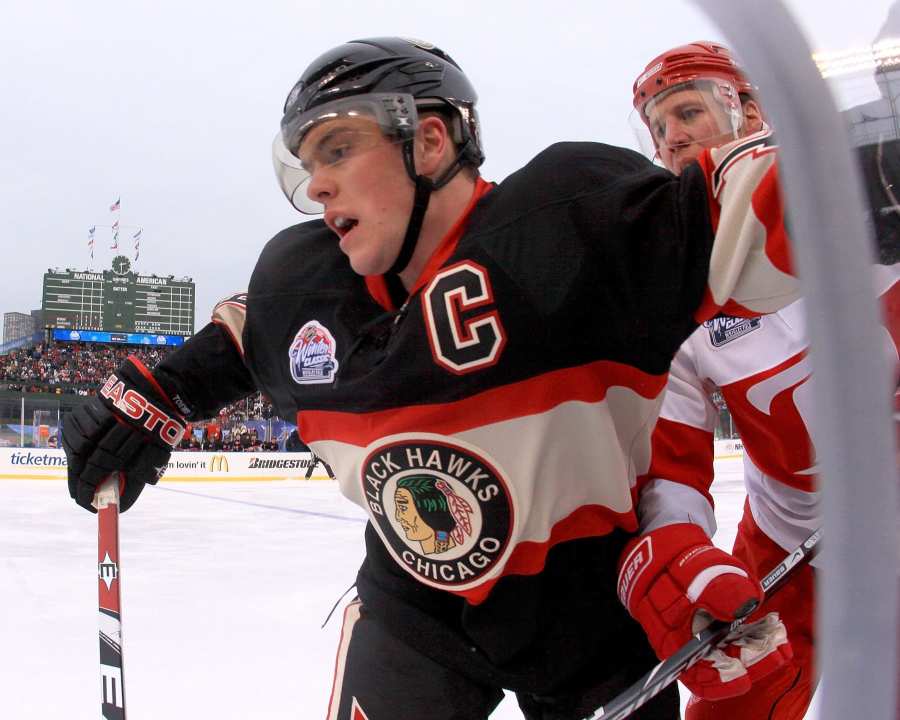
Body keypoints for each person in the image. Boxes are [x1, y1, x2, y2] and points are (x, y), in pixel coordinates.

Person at [63, 37, 809, 720]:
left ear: (427, 139)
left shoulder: (571, 227)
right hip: (412, 611)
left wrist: (875, 160)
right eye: (306, 163)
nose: (318, 186)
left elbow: (775, 203)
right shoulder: (303, 285)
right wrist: (154, 397)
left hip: (583, 609)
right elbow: (243, 338)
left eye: (337, 149)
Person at [627, 41, 900, 720]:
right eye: (659, 127)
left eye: (688, 110)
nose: (673, 137)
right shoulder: (675, 293)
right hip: (786, 546)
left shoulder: (873, 215)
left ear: (751, 111)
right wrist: (683, 556)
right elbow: (671, 474)